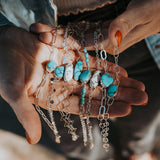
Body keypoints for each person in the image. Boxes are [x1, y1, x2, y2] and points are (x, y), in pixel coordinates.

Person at [0, 0, 159, 159]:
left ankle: (138, 151)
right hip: (46, 40)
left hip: (142, 29)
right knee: (74, 138)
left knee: (143, 119)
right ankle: (101, 157)